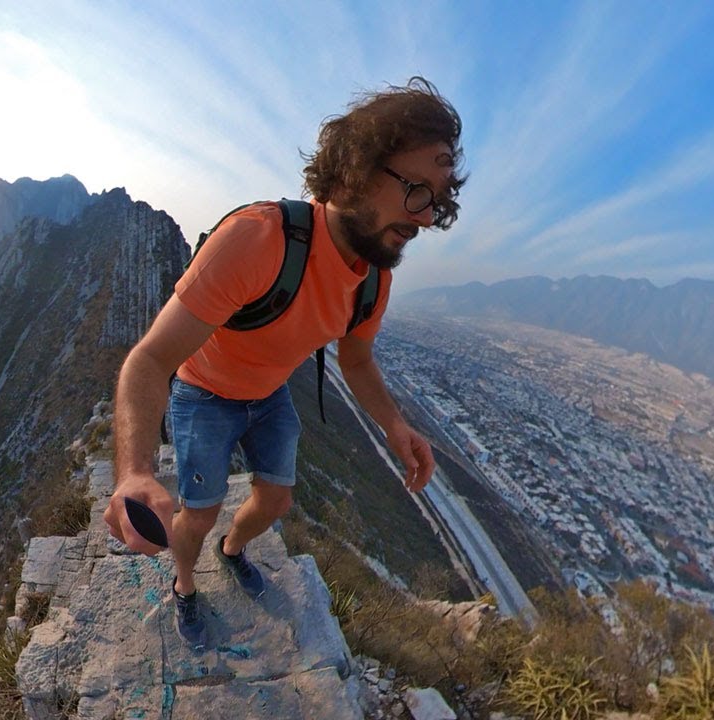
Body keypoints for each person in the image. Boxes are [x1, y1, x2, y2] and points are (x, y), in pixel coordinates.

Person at [104, 77, 467, 648]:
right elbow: (149, 362)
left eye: (437, 200)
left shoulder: (374, 278)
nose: (425, 218)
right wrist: (134, 471)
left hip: (270, 395)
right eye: (417, 190)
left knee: (276, 500)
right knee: (198, 514)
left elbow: (358, 359)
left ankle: (232, 550)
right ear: (354, 169)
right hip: (204, 393)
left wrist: (395, 425)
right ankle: (184, 587)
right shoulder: (257, 241)